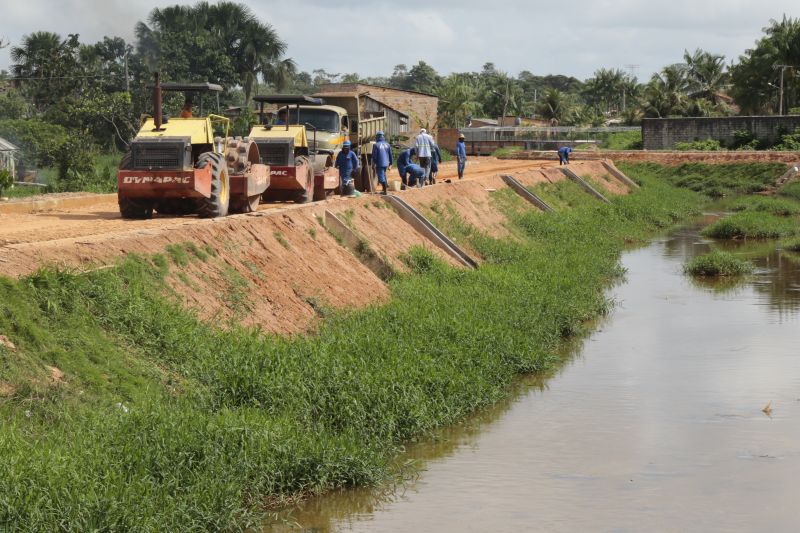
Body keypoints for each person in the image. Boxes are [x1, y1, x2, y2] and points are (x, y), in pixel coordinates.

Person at [371, 131, 393, 195]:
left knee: (381, 177)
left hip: (380, 163)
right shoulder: (387, 144)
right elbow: (390, 155)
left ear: (377, 137)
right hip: (386, 163)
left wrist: (373, 163)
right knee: (383, 175)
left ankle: (385, 190)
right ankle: (384, 189)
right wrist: (390, 163)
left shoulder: (376, 145)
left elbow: (374, 156)